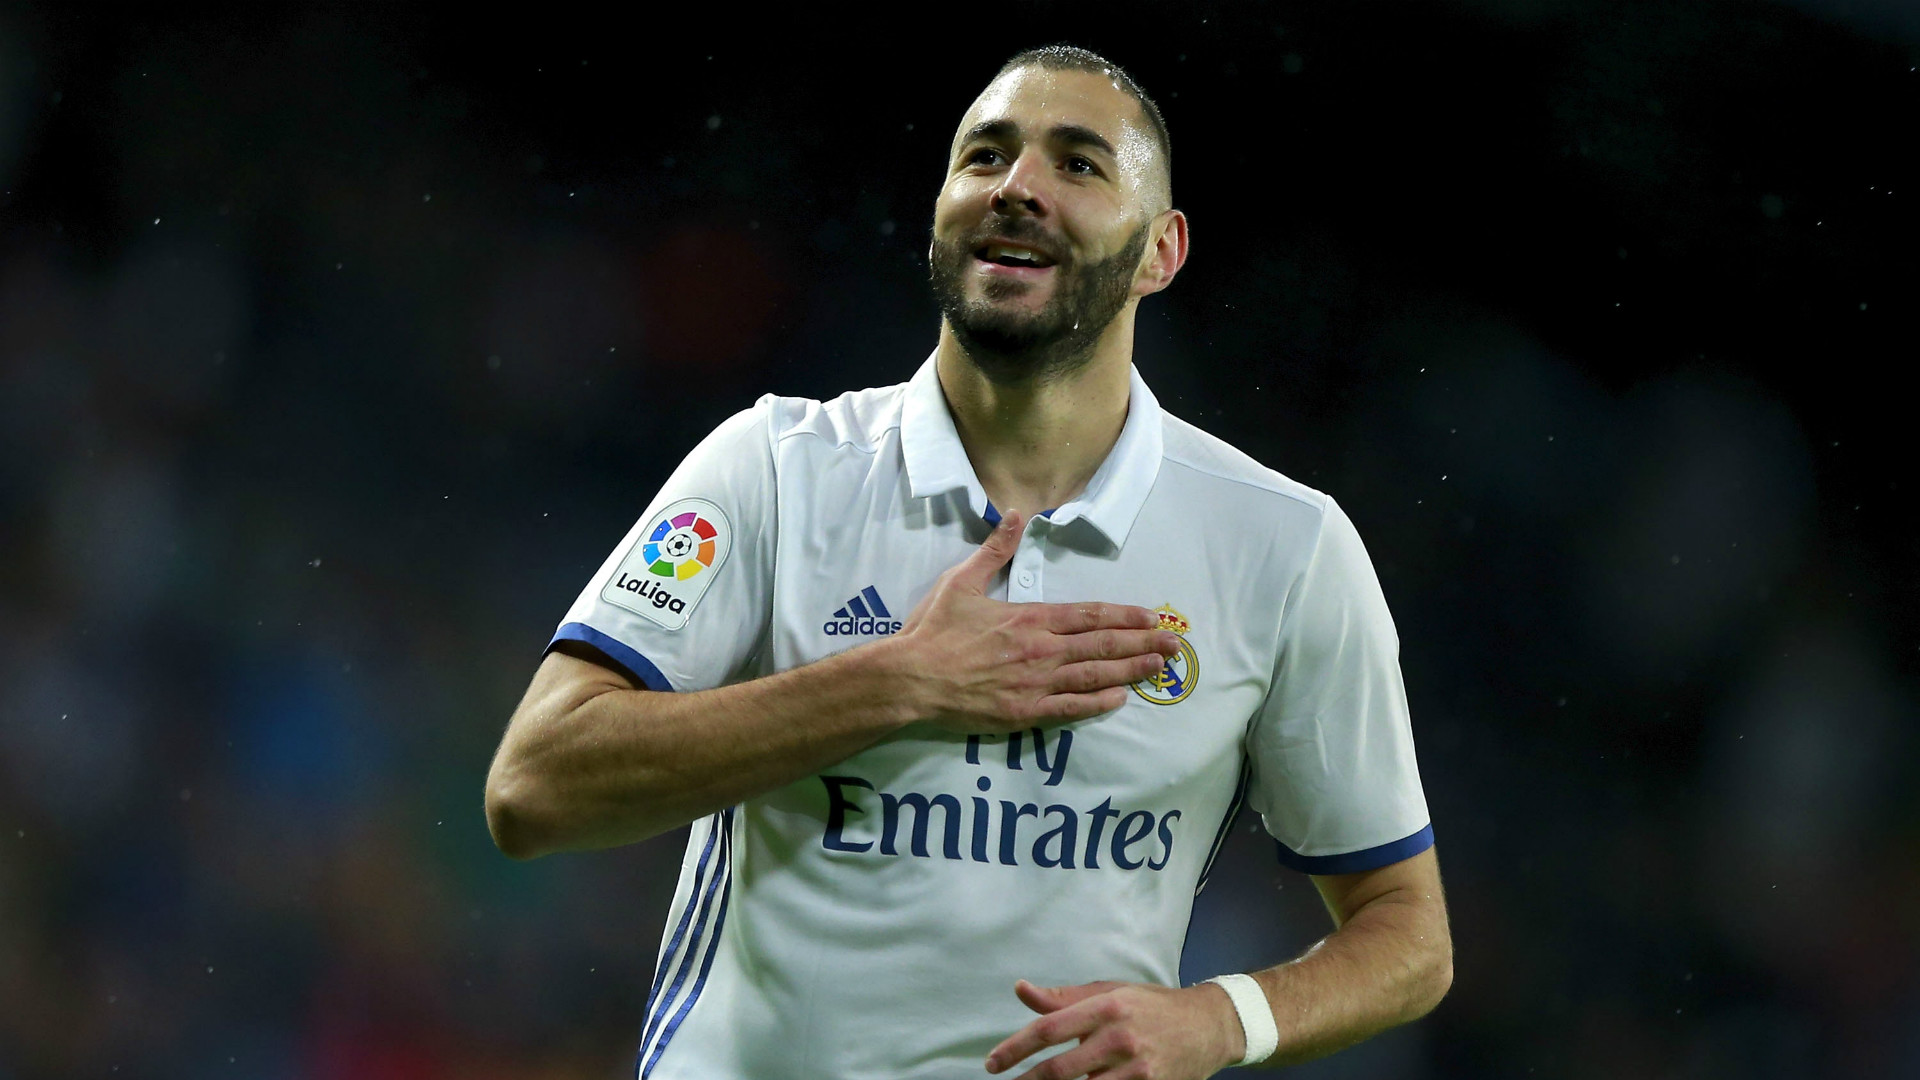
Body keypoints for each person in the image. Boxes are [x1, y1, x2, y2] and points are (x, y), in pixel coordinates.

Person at [485, 43, 1452, 1080]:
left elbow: (1408, 934)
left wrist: (1221, 1020)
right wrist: (896, 683)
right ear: (941, 212)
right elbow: (534, 788)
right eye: (986, 156)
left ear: (1161, 252)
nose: (1018, 187)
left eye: (1078, 164)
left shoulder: (1284, 547)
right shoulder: (775, 468)